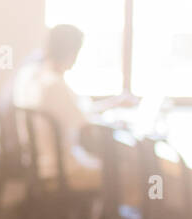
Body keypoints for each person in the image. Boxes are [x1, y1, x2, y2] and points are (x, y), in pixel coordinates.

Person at [7, 24, 133, 190]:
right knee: (129, 171)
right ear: (72, 53)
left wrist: (111, 104)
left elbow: (78, 112)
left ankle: (96, 214)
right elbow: (86, 125)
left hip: (38, 162)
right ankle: (110, 216)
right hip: (60, 170)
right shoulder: (54, 85)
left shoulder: (30, 75)